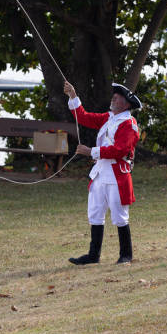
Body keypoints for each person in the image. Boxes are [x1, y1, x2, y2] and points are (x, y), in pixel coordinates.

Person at [64, 81, 142, 265]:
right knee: (95, 212)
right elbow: (82, 117)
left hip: (117, 174)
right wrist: (73, 96)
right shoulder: (109, 118)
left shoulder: (129, 124)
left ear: (127, 104)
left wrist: (91, 151)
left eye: (118, 97)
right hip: (101, 171)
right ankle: (93, 255)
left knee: (119, 215)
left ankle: (126, 255)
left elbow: (120, 150)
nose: (113, 98)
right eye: (114, 95)